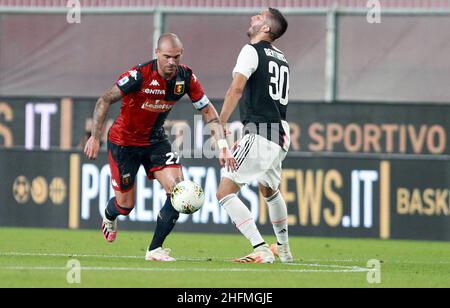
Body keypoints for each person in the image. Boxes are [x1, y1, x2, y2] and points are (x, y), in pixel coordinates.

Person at [84, 33, 236, 261]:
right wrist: (96, 137)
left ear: (181, 55)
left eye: (176, 57)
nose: (171, 62)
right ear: (157, 54)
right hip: (124, 143)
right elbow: (105, 99)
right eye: (166, 57)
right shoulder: (138, 75)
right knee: (125, 206)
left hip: (155, 141)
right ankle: (109, 214)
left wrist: (222, 145)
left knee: (179, 191)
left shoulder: (186, 78)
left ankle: (154, 249)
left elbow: (207, 110)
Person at [217, 8, 293, 264]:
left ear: (267, 28)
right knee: (269, 190)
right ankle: (283, 250)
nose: (253, 17)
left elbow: (236, 89)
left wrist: (220, 122)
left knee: (225, 192)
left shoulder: (251, 50)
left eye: (259, 16)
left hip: (263, 129)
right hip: (280, 131)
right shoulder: (282, 57)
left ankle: (260, 248)